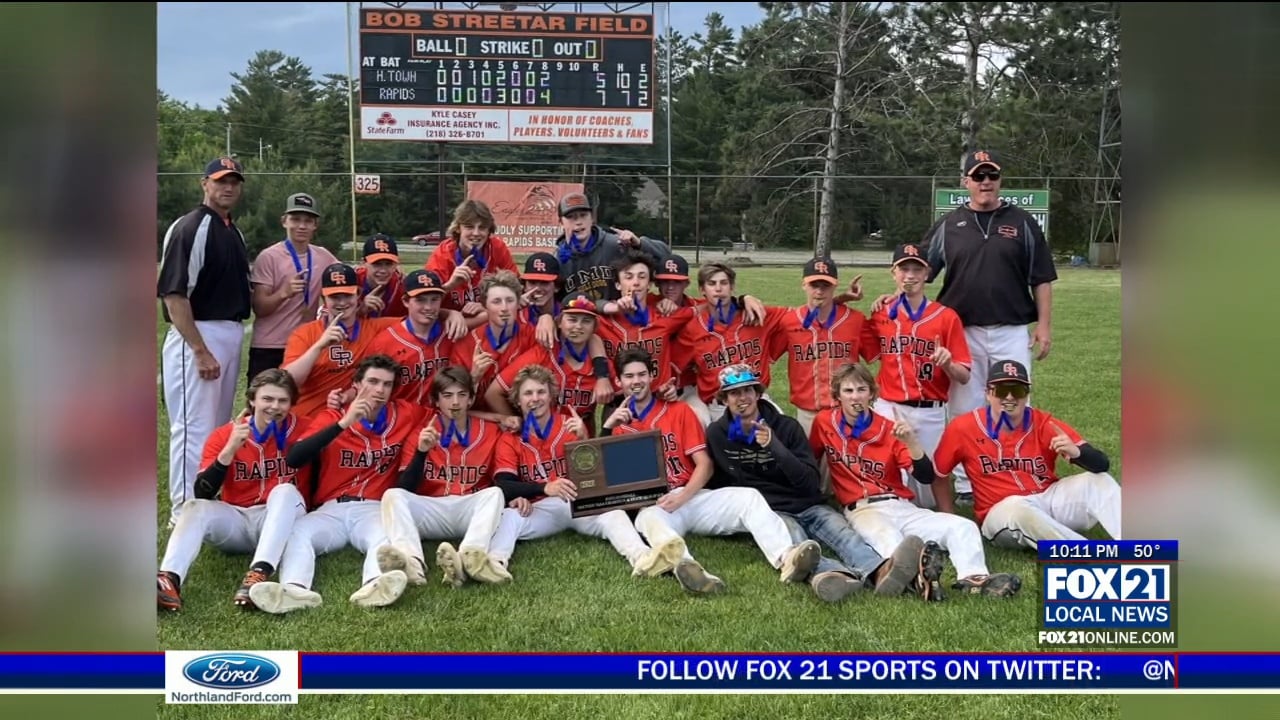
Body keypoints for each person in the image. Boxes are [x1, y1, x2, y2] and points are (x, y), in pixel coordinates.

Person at [700, 362, 937, 603]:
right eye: (734, 393)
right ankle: (830, 575)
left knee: (844, 535)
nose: (742, 398)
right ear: (724, 399)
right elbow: (722, 482)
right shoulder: (717, 434)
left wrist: (774, 445)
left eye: (747, 391)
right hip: (771, 511)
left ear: (758, 394)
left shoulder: (786, 427)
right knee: (800, 545)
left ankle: (880, 572)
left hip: (808, 502)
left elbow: (808, 481)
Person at [810, 362, 1022, 599]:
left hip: (900, 505)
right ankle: (921, 579)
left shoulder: (890, 429)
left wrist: (911, 443)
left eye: (861, 389)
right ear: (837, 395)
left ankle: (974, 578)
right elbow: (812, 458)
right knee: (892, 541)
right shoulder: (824, 422)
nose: (855, 397)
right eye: (848, 391)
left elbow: (925, 476)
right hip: (862, 509)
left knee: (962, 526)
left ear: (871, 393)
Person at [919, 149, 1058, 501]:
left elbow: (1041, 278)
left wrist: (1044, 326)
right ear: (965, 181)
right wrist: (896, 303)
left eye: (991, 176)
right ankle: (968, 483)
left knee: (1013, 399)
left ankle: (1016, 471)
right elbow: (920, 272)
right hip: (961, 329)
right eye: (978, 176)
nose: (985, 183)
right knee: (965, 405)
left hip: (1011, 329)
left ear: (1000, 180)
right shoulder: (949, 225)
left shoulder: (1023, 222)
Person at [625, 361, 825, 595]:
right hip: (657, 504)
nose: (636, 382)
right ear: (619, 382)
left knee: (749, 497)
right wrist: (608, 429)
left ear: (652, 378)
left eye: (641, 375)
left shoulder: (678, 411)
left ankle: (786, 556)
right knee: (652, 520)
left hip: (693, 494)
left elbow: (706, 465)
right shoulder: (619, 425)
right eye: (629, 376)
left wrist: (683, 497)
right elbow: (610, 482)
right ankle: (689, 569)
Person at [248, 355, 429, 614]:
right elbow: (295, 458)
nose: (379, 390)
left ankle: (375, 584)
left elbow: (446, 411)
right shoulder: (332, 416)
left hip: (373, 507)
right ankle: (294, 589)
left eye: (387, 384)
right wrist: (344, 421)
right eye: (372, 382)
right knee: (299, 533)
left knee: (385, 538)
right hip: (331, 508)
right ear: (355, 384)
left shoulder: (406, 413)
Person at [486, 365, 676, 579]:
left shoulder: (568, 426)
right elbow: (504, 484)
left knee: (613, 514)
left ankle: (644, 559)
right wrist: (539, 489)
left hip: (577, 501)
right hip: (540, 506)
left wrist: (584, 440)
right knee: (510, 516)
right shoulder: (510, 437)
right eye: (528, 393)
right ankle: (494, 563)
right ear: (517, 400)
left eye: (541, 392)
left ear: (551, 397)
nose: (535, 398)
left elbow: (601, 474)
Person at [157, 369, 312, 611]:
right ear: (252, 400)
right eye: (267, 399)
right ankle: (168, 579)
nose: (275, 406)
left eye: (283, 400)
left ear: (292, 403)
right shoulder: (224, 435)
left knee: (284, 491)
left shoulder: (306, 429)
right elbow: (203, 493)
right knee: (193, 506)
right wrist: (228, 451)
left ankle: (258, 574)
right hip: (237, 519)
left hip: (284, 518)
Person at [933, 359, 1121, 550]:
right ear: (988, 393)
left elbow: (1101, 464)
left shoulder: (1043, 423)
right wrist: (950, 521)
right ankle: (1086, 553)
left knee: (1099, 481)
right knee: (1017, 507)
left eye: (1017, 391)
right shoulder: (963, 428)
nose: (1009, 397)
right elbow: (939, 475)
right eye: (1001, 390)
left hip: (1048, 499)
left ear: (1026, 395)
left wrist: (1077, 452)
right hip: (1001, 513)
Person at [158, 156, 252, 526]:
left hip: (227, 331)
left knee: (216, 425)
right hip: (198, 332)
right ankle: (183, 510)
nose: (228, 187)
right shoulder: (191, 227)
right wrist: (199, 349)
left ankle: (205, 497)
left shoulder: (232, 229)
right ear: (204, 184)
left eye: (234, 181)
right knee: (193, 425)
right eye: (220, 180)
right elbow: (173, 295)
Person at [377, 367, 511, 591]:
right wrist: (421, 452)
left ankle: (469, 556)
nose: (455, 402)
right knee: (392, 495)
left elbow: (502, 479)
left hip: (469, 510)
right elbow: (405, 488)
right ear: (436, 401)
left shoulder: (489, 431)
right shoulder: (421, 433)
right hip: (433, 511)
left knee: (495, 494)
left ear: (470, 399)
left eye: (461, 395)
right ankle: (412, 563)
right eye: (447, 396)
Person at [863, 243, 971, 512]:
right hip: (890, 406)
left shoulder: (946, 317)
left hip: (930, 410)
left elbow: (965, 376)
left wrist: (948, 364)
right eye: (904, 269)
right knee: (888, 472)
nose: (909, 275)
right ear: (893, 273)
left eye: (916, 269)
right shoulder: (880, 313)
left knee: (931, 484)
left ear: (927, 274)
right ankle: (894, 517)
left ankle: (945, 515)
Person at [281, 263, 405, 418]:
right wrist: (319, 346)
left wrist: (444, 314)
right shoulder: (305, 333)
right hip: (307, 419)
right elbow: (287, 383)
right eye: (334, 297)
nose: (341, 302)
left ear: (358, 295)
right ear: (323, 298)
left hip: (352, 423)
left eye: (347, 295)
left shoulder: (375, 327)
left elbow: (417, 320)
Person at [765, 256, 869, 438]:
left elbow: (883, 351)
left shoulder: (855, 320)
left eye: (825, 286)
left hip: (846, 411)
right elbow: (767, 356)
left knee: (846, 465)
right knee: (809, 464)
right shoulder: (789, 322)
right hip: (807, 413)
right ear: (803, 285)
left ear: (835, 285)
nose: (820, 291)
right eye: (814, 285)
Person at [670, 262, 785, 426]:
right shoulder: (693, 329)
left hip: (757, 399)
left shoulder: (755, 315)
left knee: (784, 430)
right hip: (719, 406)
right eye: (712, 283)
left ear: (732, 287)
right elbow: (673, 365)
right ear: (702, 290)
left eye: (723, 283)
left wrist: (746, 298)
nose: (718, 289)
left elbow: (797, 318)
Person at [486, 292, 615, 436]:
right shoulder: (542, 354)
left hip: (579, 443)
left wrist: (604, 379)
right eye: (572, 319)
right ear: (559, 322)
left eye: (586, 321)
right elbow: (493, 393)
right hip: (539, 439)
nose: (578, 326)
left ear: (594, 326)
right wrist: (518, 425)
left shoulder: (600, 365)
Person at [245, 192, 341, 382]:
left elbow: (346, 283)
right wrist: (284, 293)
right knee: (262, 405)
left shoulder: (323, 257)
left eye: (308, 220)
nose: (302, 226)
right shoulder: (269, 257)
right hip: (271, 345)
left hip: (307, 343)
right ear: (284, 221)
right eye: (295, 219)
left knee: (302, 405)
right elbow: (259, 308)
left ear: (315, 225)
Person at [552, 191, 670, 303]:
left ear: (592, 218)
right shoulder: (558, 260)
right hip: (581, 321)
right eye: (571, 217)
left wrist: (639, 244)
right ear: (561, 222)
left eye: (583, 215)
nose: (578, 222)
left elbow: (666, 259)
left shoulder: (616, 245)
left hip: (617, 319)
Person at [365, 269, 457, 408]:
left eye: (434, 299)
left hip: (442, 419)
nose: (428, 307)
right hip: (400, 423)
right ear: (406, 301)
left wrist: (456, 314)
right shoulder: (384, 343)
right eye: (420, 300)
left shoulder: (452, 333)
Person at [426, 198, 519, 321]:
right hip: (449, 325)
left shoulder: (497, 248)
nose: (476, 233)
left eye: (482, 227)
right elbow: (425, 304)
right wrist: (450, 285)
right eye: (469, 227)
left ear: (489, 230)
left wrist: (486, 306)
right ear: (458, 228)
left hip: (489, 323)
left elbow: (516, 292)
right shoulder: (442, 254)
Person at [355, 233, 407, 319]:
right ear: (363, 263)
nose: (383, 270)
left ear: (396, 264)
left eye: (388, 264)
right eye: (376, 264)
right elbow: (330, 321)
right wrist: (360, 311)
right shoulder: (351, 282)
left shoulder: (403, 287)